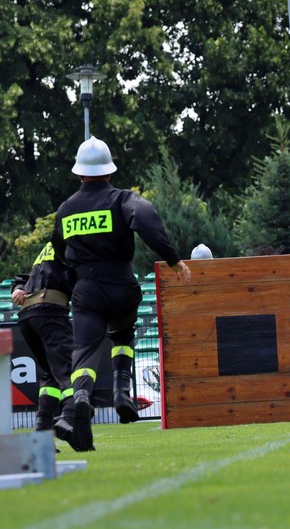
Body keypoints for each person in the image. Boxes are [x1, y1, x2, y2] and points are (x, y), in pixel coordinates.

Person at [54, 137, 191, 451]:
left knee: (85, 351)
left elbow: (58, 249)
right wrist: (172, 259)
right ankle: (121, 391)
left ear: (79, 172)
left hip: (86, 290)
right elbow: (146, 220)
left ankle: (81, 398)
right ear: (109, 170)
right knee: (122, 333)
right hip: (121, 285)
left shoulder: (66, 209)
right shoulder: (122, 198)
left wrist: (76, 271)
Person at [11, 241, 76, 447]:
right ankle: (70, 417)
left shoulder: (49, 247)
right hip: (50, 312)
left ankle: (41, 434)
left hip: (27, 317)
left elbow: (24, 279)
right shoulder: (74, 242)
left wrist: (18, 288)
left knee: (51, 375)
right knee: (71, 369)